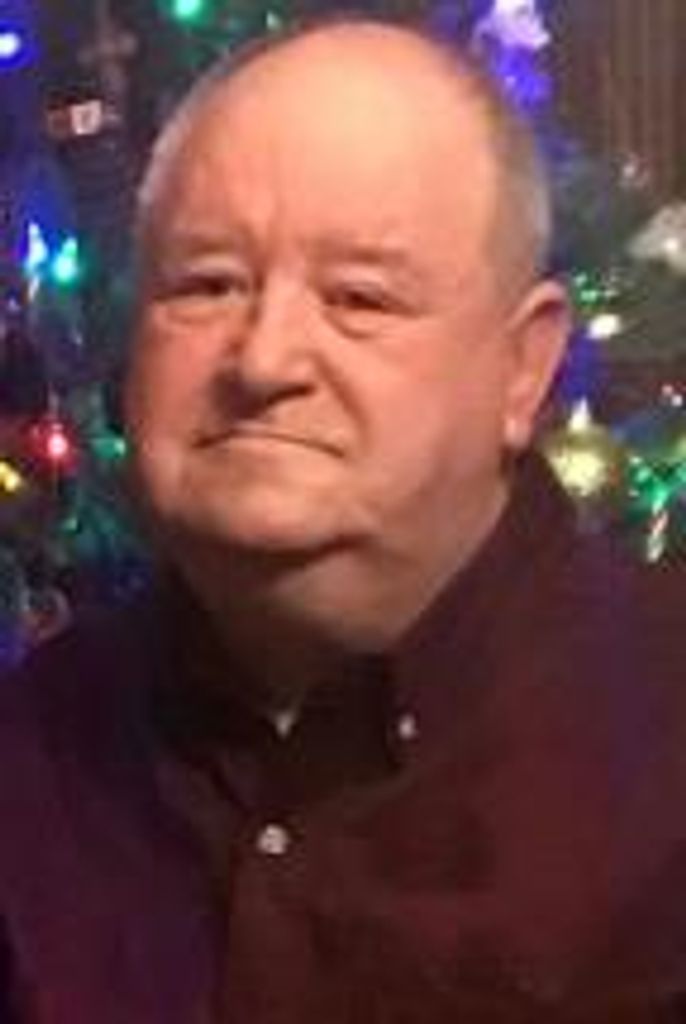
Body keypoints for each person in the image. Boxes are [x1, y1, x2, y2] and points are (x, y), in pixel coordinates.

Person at [1, 16, 685, 1023]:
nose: (264, 359)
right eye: (207, 284)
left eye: (359, 297)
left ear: (523, 367)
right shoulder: (32, 752)